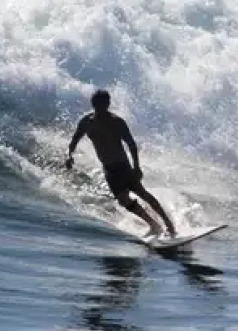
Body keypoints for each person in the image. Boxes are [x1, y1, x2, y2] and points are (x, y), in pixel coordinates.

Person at [66, 89, 176, 238]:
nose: (101, 108)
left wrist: (137, 167)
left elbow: (131, 144)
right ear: (93, 104)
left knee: (142, 194)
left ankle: (169, 225)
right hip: (109, 170)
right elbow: (74, 140)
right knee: (124, 201)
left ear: (108, 104)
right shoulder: (86, 123)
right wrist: (69, 156)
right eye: (98, 105)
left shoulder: (117, 122)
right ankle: (154, 225)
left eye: (104, 104)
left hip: (123, 166)